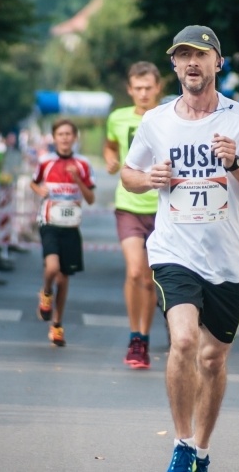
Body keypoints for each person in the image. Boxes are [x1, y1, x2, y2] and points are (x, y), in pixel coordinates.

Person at [121, 25, 239, 472]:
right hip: (175, 251)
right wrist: (149, 177)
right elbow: (129, 175)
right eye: (184, 55)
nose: (193, 62)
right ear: (174, 65)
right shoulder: (157, 121)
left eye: (202, 54)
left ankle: (203, 451)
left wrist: (235, 164)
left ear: (218, 63)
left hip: (229, 261)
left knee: (212, 359)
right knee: (185, 340)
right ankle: (183, 444)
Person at [103, 61, 162, 369]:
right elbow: (110, 146)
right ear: (129, 89)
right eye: (137, 88)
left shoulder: (169, 117)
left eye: (147, 88)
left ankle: (146, 338)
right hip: (128, 204)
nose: (142, 93)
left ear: (158, 88)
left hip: (162, 206)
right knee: (135, 271)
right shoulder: (117, 117)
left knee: (150, 279)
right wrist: (111, 160)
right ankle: (134, 337)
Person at [32, 119, 95, 347]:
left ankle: (57, 325)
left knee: (64, 278)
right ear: (54, 137)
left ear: (75, 138)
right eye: (61, 134)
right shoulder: (46, 161)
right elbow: (34, 182)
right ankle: (46, 292)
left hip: (71, 226)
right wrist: (40, 190)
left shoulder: (83, 164)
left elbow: (90, 198)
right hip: (49, 222)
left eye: (69, 134)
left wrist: (77, 179)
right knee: (52, 268)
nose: (65, 138)